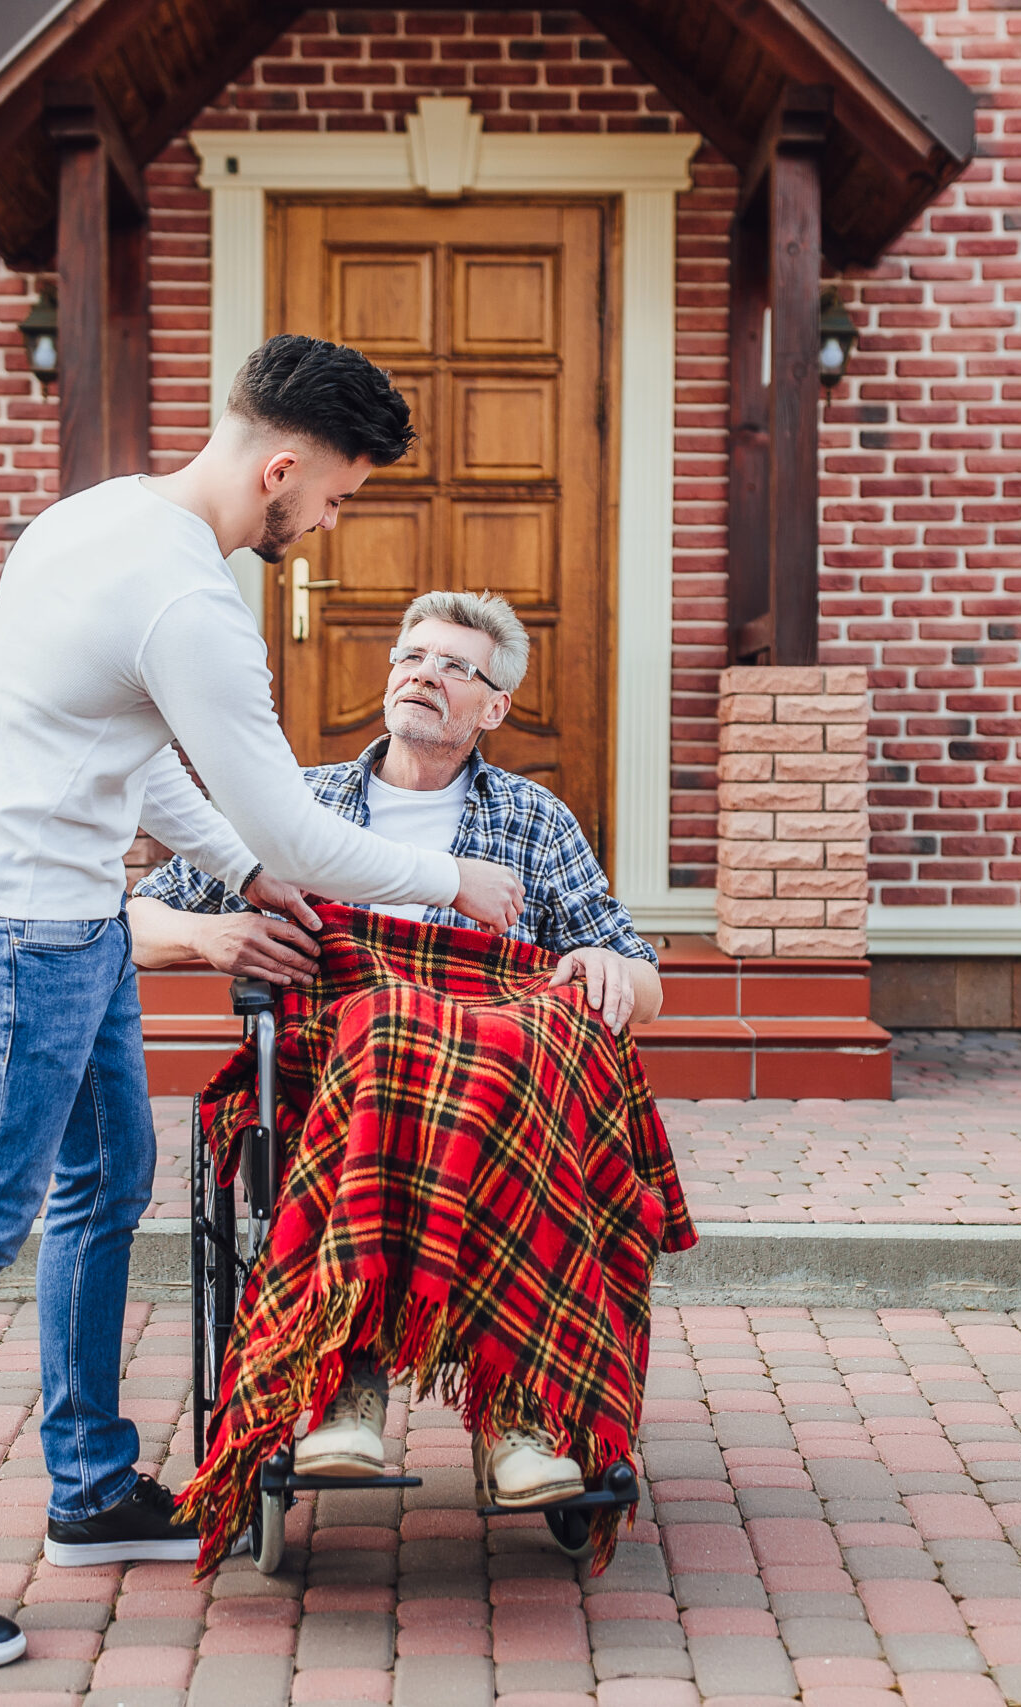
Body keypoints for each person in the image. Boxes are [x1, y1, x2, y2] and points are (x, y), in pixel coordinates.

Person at [0, 337, 529, 1672]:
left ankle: (91, 1486)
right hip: (17, 936)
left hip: (71, 916)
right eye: (338, 495)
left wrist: (246, 871)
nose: (329, 522)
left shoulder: (93, 519)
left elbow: (134, 763)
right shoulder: (191, 604)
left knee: (107, 1183)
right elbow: (300, 829)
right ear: (282, 465)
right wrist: (454, 877)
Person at [129, 589, 660, 1506]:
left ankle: (521, 1410)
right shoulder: (294, 801)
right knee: (384, 1027)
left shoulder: (534, 821)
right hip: (340, 1073)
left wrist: (606, 968)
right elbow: (129, 918)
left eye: (456, 666)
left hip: (497, 1091)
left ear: (494, 707)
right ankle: (351, 1379)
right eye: (412, 657)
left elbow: (641, 974)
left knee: (519, 1036)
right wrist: (213, 939)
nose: (424, 675)